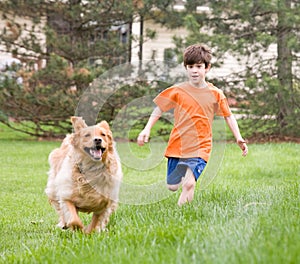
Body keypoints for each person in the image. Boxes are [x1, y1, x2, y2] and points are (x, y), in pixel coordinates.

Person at [137, 44, 248, 206]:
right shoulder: (177, 90)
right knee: (172, 186)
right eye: (190, 67)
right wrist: (146, 129)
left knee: (189, 184)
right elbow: (159, 108)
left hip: (201, 146)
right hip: (178, 144)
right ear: (186, 68)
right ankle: (183, 169)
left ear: (207, 68)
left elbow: (229, 116)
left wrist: (238, 137)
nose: (194, 70)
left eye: (199, 66)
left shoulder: (215, 94)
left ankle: (179, 217)